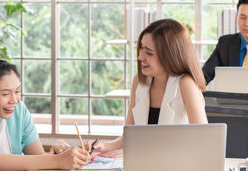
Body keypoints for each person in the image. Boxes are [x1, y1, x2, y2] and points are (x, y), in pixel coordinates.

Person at [89, 18, 208, 158]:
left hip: (177, 169)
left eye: (149, 53)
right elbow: (128, 137)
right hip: (144, 168)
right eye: (140, 49)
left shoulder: (186, 84)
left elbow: (202, 142)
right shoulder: (139, 82)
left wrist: (137, 150)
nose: (140, 57)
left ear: (169, 56)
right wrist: (102, 147)